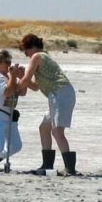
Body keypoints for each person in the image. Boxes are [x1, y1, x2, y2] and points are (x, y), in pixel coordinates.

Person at [16, 33, 78, 176]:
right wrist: (21, 78)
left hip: (60, 94)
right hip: (59, 95)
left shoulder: (37, 57)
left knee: (57, 131)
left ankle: (70, 168)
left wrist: (14, 87)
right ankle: (47, 164)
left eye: (26, 51)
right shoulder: (44, 57)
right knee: (44, 128)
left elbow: (26, 81)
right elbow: (35, 86)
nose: (26, 55)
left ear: (32, 47)